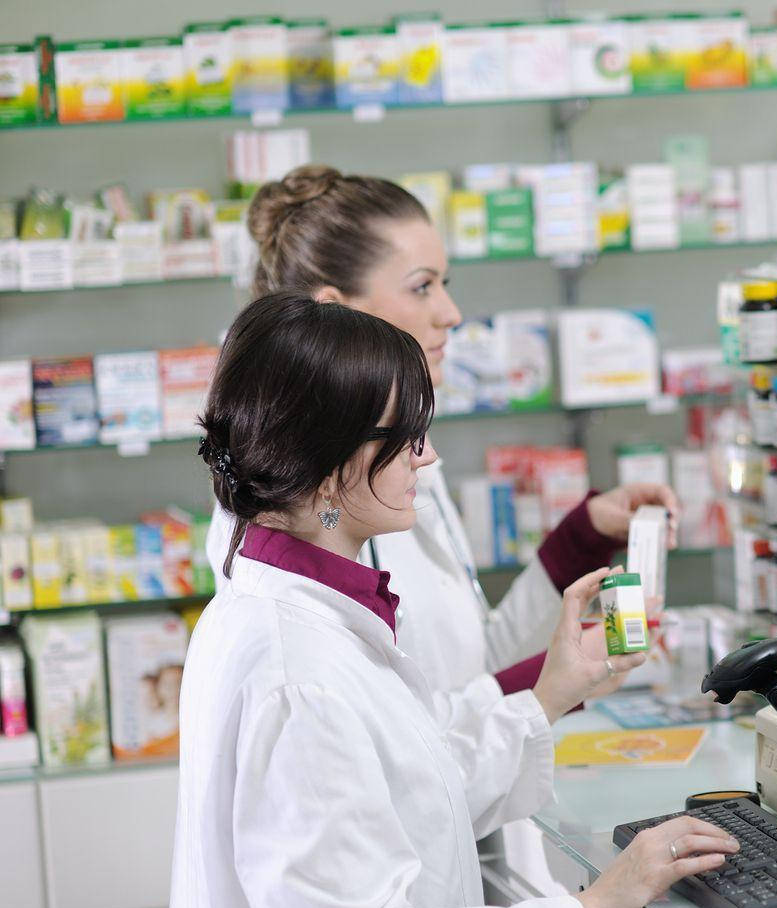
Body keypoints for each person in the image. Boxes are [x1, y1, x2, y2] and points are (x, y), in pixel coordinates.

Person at [158, 292, 738, 908]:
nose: (426, 456)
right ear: (332, 471)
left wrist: (554, 687)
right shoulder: (295, 673)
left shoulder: (300, 606)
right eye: (408, 437)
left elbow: (415, 777)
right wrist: (593, 907)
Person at [206, 163, 677, 694]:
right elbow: (411, 728)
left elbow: (474, 662)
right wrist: (563, 680)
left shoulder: (398, 457)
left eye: (443, 284)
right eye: (422, 287)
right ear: (336, 311)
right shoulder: (307, 504)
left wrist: (582, 537)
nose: (451, 313)